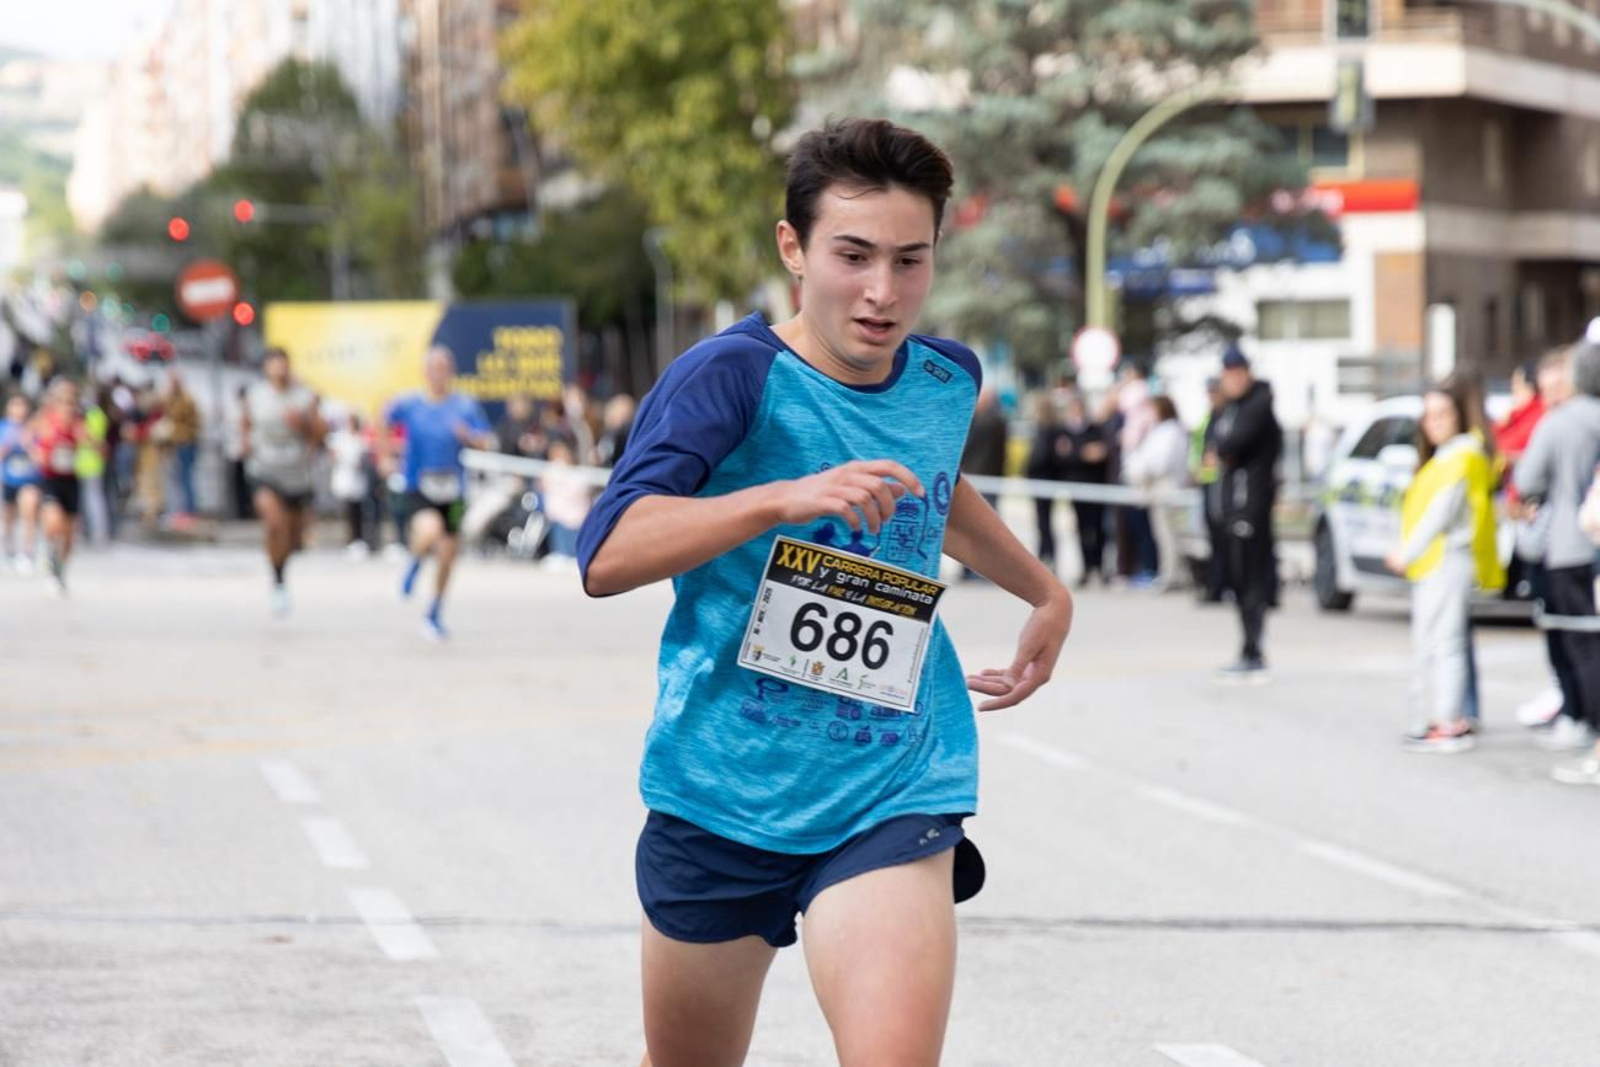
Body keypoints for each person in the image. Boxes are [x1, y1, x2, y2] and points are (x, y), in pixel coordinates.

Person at [576, 118, 1073, 1067]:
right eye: (853, 256)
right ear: (793, 248)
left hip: (892, 780)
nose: (884, 293)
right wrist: (779, 498)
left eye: (910, 260)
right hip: (723, 788)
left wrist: (1042, 589)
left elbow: (935, 485)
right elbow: (608, 554)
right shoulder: (730, 378)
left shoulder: (946, 378)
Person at [1385, 383, 1503, 753]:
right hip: (1435, 562)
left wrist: (1407, 551)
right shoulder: (1446, 457)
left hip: (1448, 559)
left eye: (1442, 414)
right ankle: (1438, 720)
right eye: (1429, 415)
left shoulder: (1462, 457)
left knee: (1443, 644)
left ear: (1459, 416)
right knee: (1436, 643)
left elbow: (1440, 513)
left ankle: (1448, 722)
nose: (1433, 423)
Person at [1514, 341, 1600, 782]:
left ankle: (1582, 718)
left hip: (1571, 543)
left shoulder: (1560, 422)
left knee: (1575, 637)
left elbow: (1527, 478)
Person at [383, 345, 494, 641]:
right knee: (429, 532)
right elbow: (382, 419)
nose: (438, 374)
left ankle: (434, 612)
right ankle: (415, 562)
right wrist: (384, 456)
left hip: (454, 490)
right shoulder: (409, 404)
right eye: (433, 368)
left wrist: (469, 437)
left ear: (451, 372)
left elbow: (485, 440)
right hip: (419, 485)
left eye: (443, 368)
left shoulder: (464, 406)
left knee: (448, 553)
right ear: (425, 372)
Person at [1210, 347, 1281, 680]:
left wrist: (1224, 450)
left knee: (1252, 579)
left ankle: (1255, 649)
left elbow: (1229, 444)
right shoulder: (1231, 408)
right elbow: (1216, 443)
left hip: (1250, 506)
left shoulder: (1258, 405)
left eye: (1237, 372)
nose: (1232, 379)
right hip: (1231, 504)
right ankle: (1247, 647)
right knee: (1237, 579)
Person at [242, 348, 325, 616]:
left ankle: (280, 566)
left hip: (296, 473)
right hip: (265, 469)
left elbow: (319, 432)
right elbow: (245, 424)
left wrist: (301, 423)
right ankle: (277, 582)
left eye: (282, 364)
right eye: (273, 364)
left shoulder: (303, 396)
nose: (278, 369)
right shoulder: (256, 395)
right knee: (274, 524)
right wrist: (246, 445)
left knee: (292, 538)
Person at [1123, 394, 1191, 591]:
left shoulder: (1171, 432)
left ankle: (1172, 576)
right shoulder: (1161, 431)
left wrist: (1142, 470)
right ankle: (1171, 573)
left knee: (1169, 536)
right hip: (1157, 488)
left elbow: (1160, 463)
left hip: (1167, 488)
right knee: (1163, 535)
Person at [28, 378, 88, 595]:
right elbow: (29, 439)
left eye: (71, 402)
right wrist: (38, 453)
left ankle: (60, 570)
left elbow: (97, 448)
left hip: (71, 479)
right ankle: (49, 551)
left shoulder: (79, 424)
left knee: (70, 536)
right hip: (50, 479)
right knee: (53, 522)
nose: (67, 407)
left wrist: (87, 443)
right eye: (63, 401)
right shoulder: (46, 420)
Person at [1058, 391, 1112, 586]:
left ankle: (1098, 565)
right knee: (1081, 528)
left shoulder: (1094, 428)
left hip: (1095, 485)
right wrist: (1083, 453)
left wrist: (1075, 452)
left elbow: (1101, 454)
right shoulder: (1065, 430)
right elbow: (1062, 456)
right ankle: (1086, 567)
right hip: (1076, 484)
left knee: (1098, 527)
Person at [1191, 377, 1228, 603]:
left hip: (1222, 483)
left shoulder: (1228, 415)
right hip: (1207, 481)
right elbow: (1199, 447)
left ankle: (1222, 585)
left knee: (1224, 539)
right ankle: (1215, 586)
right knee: (1213, 539)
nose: (1211, 397)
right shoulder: (1208, 417)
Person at [1, 393, 42, 574]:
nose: (19, 410)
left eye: (22, 406)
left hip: (29, 478)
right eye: (15, 406)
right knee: (8, 516)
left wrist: (28, 444)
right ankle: (10, 550)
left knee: (29, 512)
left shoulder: (33, 427)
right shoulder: (3, 427)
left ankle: (28, 552)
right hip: (9, 477)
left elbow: (41, 453)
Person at [327, 410, 371, 555]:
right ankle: (349, 539)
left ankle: (358, 539)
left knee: (357, 510)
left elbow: (364, 458)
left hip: (357, 479)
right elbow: (333, 456)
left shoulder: (361, 439)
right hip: (344, 477)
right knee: (346, 510)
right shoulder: (340, 438)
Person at [162, 371, 202, 521]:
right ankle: (183, 510)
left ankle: (189, 511)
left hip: (186, 442)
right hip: (178, 443)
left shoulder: (185, 399)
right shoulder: (175, 398)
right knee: (179, 478)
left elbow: (178, 416)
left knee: (186, 478)